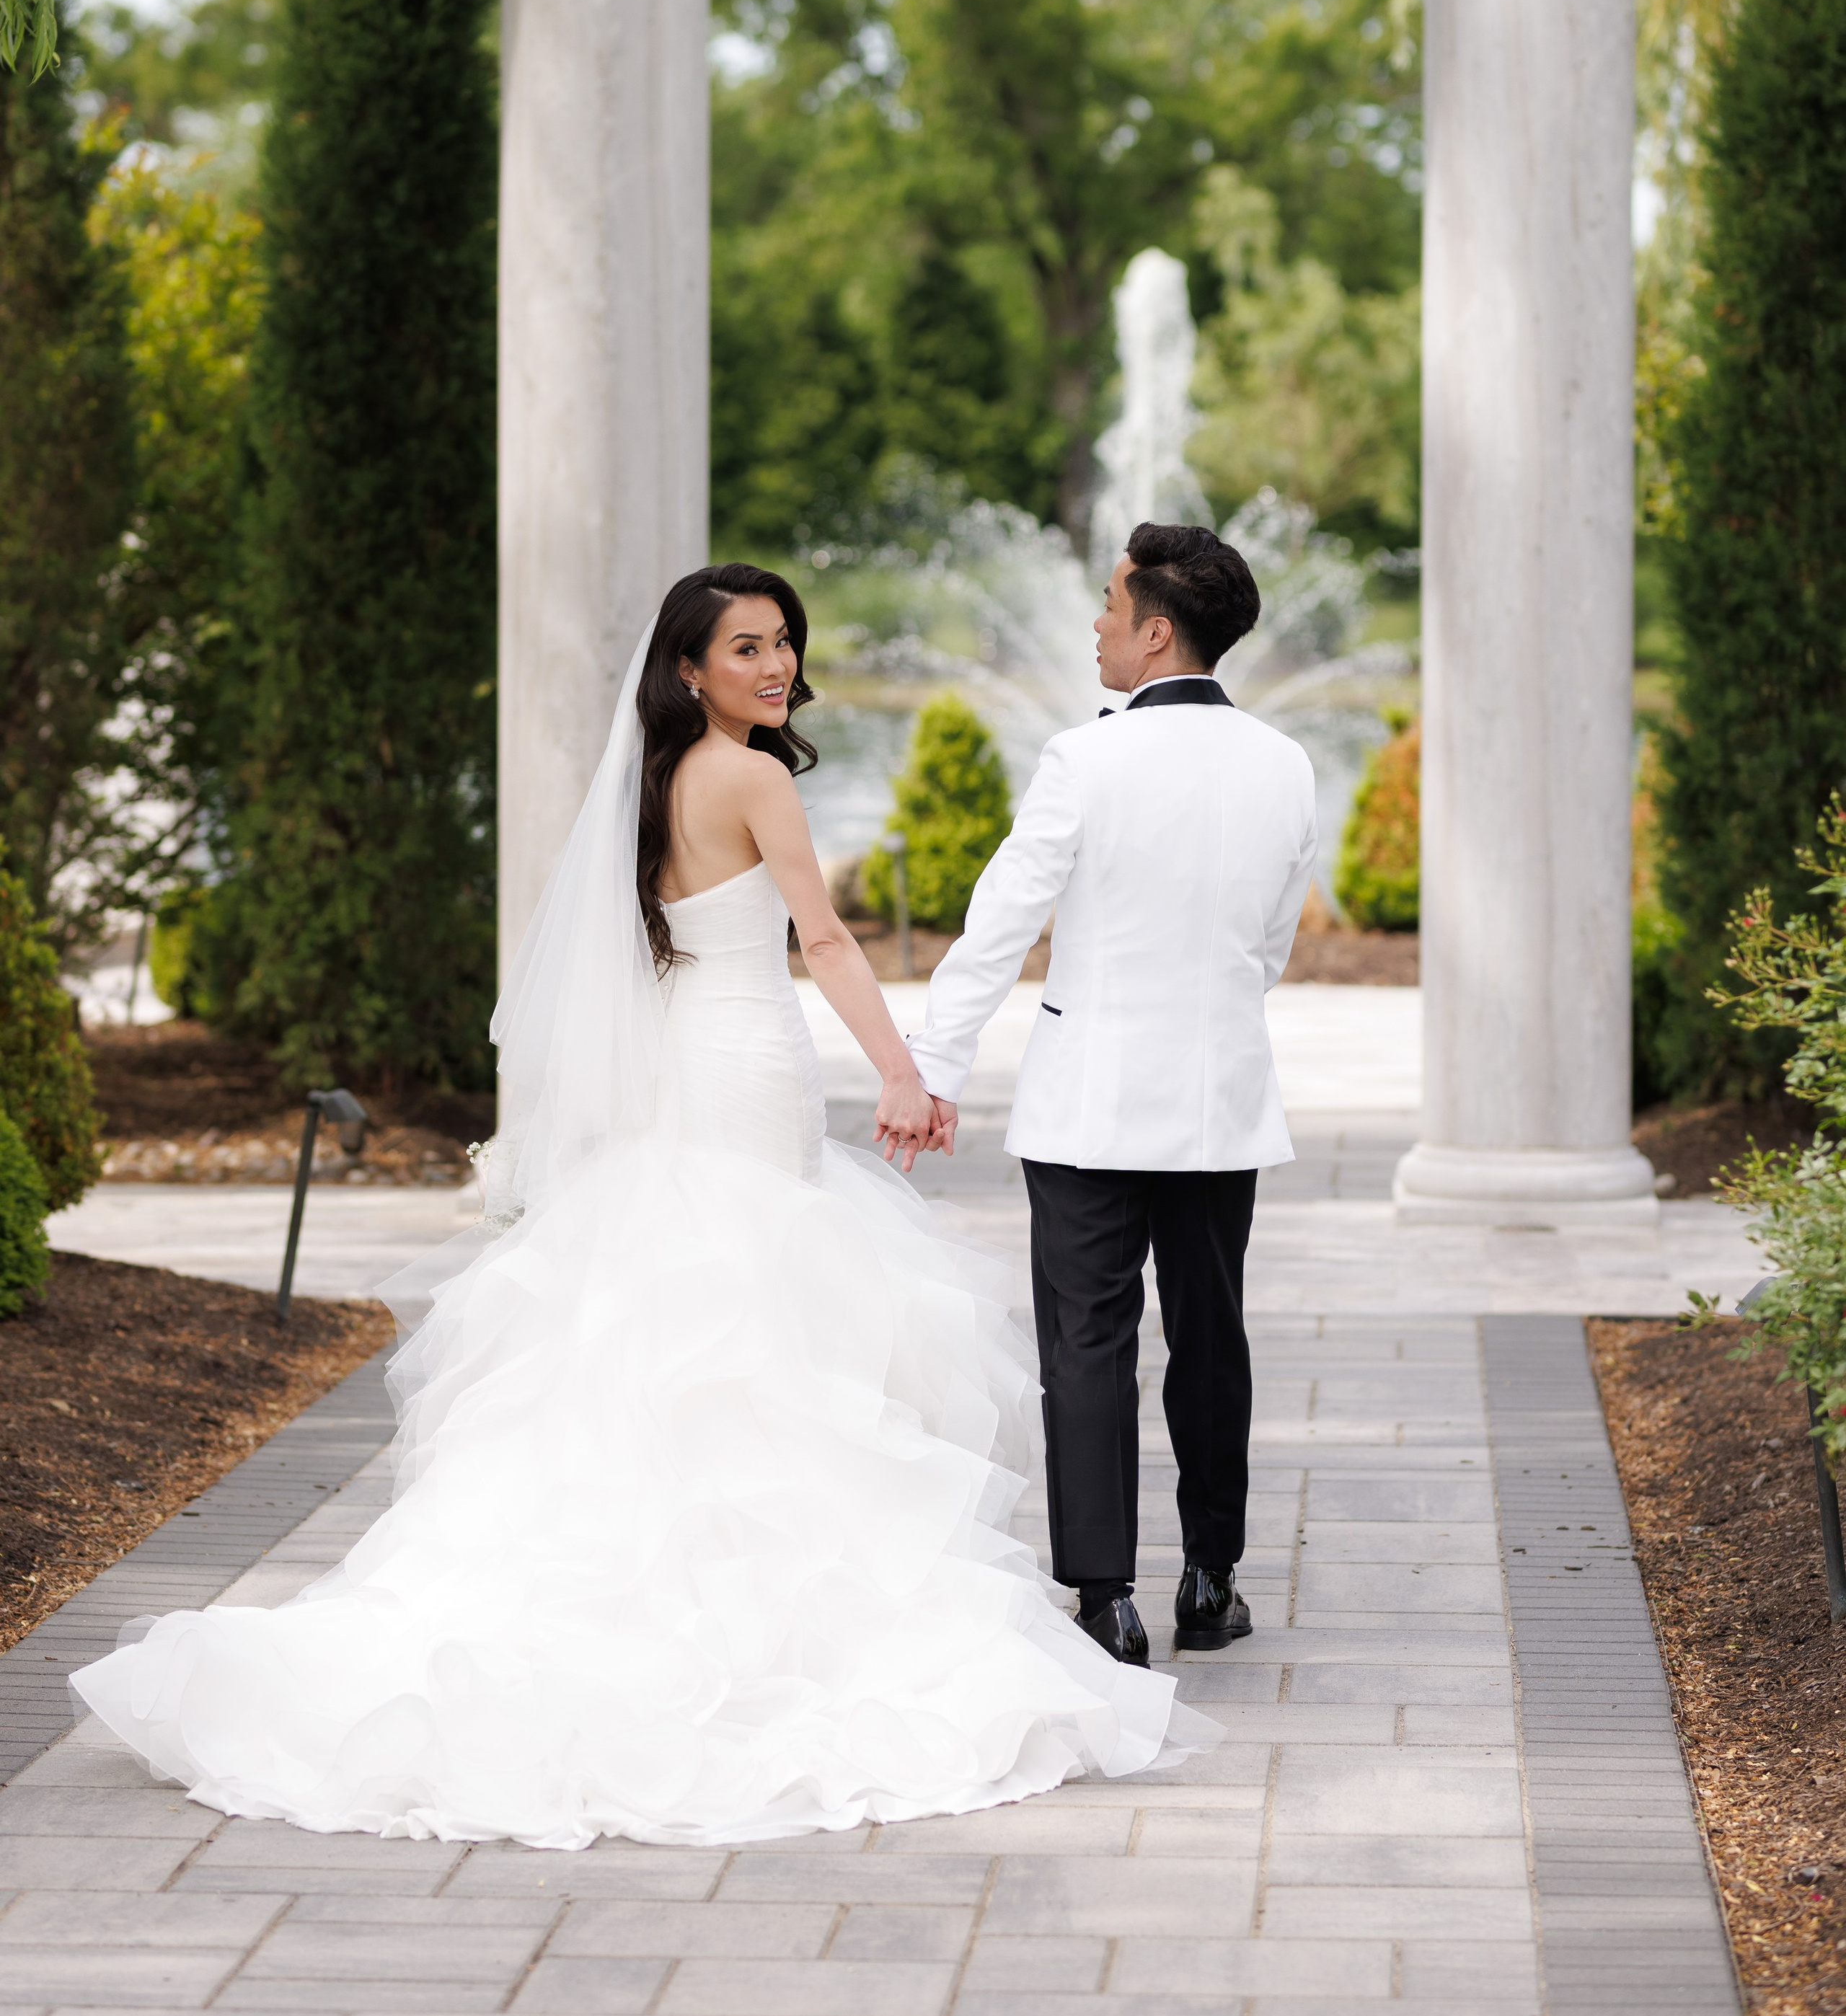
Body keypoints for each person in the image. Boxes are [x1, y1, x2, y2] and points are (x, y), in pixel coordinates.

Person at [71, 562, 1212, 1848]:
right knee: (755, 1304)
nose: (774, 666)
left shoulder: (653, 783)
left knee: (670, 1301)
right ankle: (752, 1616)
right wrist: (903, 1068)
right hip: (742, 1065)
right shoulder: (757, 777)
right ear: (688, 669)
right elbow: (825, 940)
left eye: (783, 643)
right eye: (743, 649)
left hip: (685, 1064)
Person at [909, 522, 1317, 1669]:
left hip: (1087, 1104)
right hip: (1221, 1098)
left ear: (1154, 628)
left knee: (1088, 1343)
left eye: (1107, 604)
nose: (1093, 622)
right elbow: (1268, 945)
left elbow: (1000, 923)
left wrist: (936, 1066)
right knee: (1211, 1337)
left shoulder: (1083, 760)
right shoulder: (1286, 761)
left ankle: (1105, 1600)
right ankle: (1210, 1577)